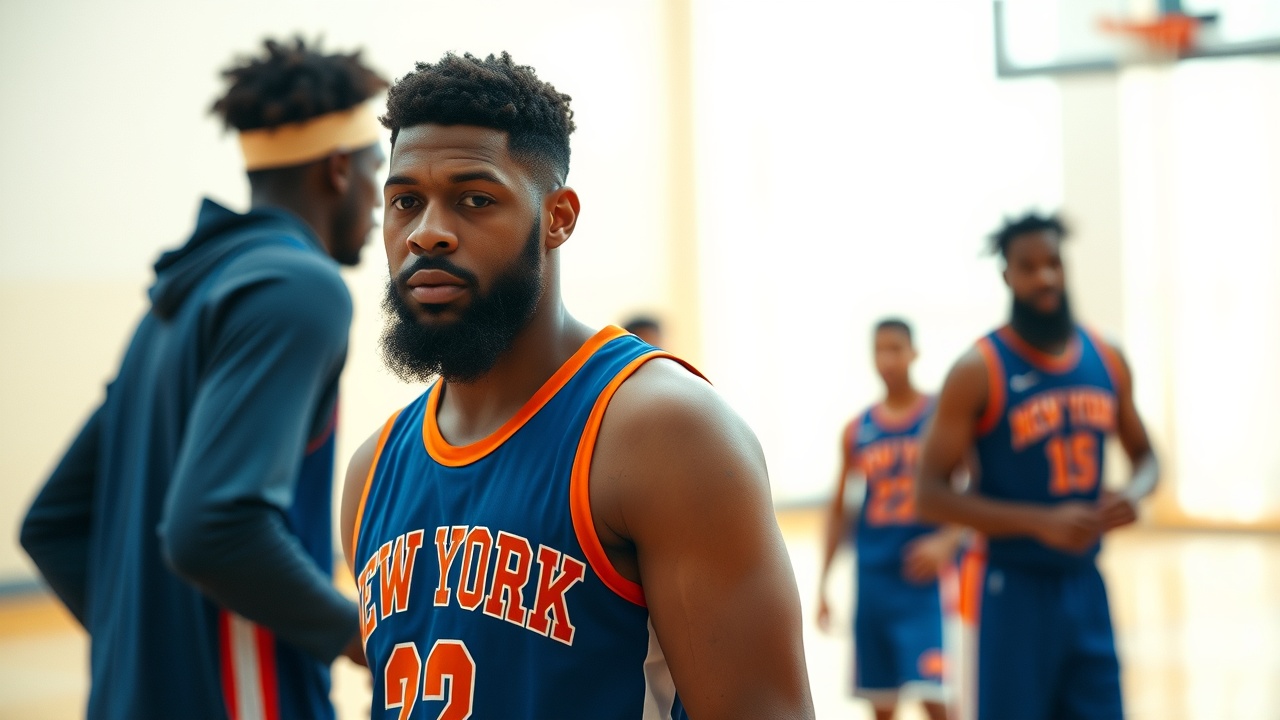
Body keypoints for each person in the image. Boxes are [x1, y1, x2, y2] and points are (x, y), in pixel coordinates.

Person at [339, 52, 815, 720]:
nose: (429, 233)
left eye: (475, 200)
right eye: (405, 202)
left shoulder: (665, 432)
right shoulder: (371, 472)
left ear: (558, 217)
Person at [20, 37, 387, 720]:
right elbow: (216, 526)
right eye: (378, 170)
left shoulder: (178, 300)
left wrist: (153, 661)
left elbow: (53, 523)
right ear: (339, 169)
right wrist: (366, 639)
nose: (380, 201)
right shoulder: (300, 288)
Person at [915, 213, 1159, 720]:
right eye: (1028, 267)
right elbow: (929, 494)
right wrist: (1039, 522)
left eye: (1053, 263)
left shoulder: (1107, 356)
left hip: (1085, 583)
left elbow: (1148, 457)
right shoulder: (978, 368)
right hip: (1008, 586)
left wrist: (1133, 493)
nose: (1044, 277)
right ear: (1008, 276)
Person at [816, 319, 958, 720]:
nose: (887, 359)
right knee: (881, 704)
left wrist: (949, 540)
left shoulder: (940, 415)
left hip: (924, 582)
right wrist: (824, 583)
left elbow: (977, 486)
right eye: (879, 350)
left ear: (914, 353)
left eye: (896, 349)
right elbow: (839, 509)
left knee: (936, 698)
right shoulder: (857, 429)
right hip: (874, 582)